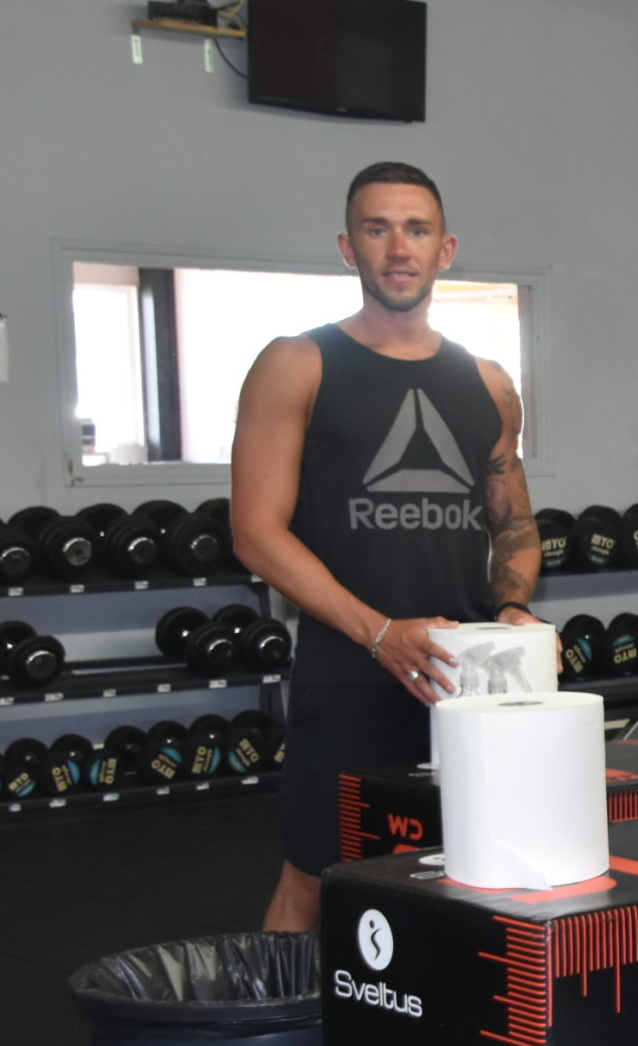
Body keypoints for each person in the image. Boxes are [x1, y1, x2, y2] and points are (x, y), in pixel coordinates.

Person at [230, 162, 543, 934]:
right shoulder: (296, 364)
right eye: (377, 229)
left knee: (464, 873)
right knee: (315, 882)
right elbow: (256, 533)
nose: (398, 247)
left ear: (446, 248)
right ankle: (279, 1021)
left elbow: (513, 523)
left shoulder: (488, 381)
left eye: (416, 229)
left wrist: (512, 608)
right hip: (349, 674)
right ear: (348, 247)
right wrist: (378, 633)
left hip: (462, 681)